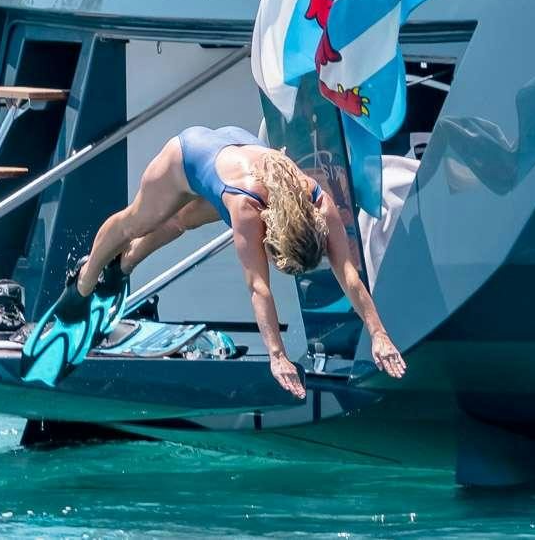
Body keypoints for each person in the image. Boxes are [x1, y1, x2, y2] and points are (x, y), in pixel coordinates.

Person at [31, 124, 407, 398]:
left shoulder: (319, 203)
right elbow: (258, 287)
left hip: (237, 147)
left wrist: (380, 335)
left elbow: (348, 273)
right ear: (271, 237)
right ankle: (82, 284)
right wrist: (277, 356)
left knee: (181, 222)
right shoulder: (246, 208)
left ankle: (121, 268)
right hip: (189, 156)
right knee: (137, 222)